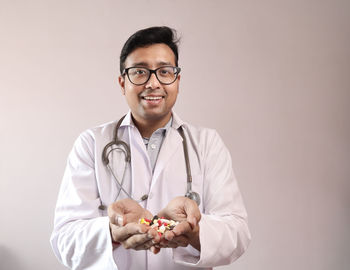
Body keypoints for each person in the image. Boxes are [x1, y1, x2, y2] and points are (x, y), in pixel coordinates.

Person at [50, 26, 251, 270]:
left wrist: (196, 231)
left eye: (165, 71)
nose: (153, 83)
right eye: (140, 72)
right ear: (122, 83)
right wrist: (112, 232)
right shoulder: (91, 143)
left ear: (177, 80)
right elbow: (65, 240)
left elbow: (237, 233)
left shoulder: (207, 143)